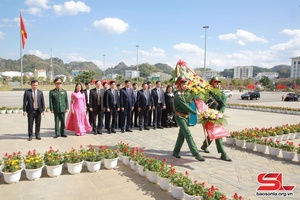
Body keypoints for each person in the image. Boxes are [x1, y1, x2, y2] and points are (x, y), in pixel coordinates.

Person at [172, 76, 205, 162]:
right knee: (188, 135)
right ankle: (196, 153)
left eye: (186, 84)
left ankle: (176, 152)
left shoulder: (184, 94)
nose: (185, 86)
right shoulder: (178, 96)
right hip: (180, 118)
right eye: (183, 84)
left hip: (185, 117)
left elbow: (192, 100)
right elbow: (185, 106)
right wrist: (195, 112)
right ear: (178, 86)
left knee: (181, 136)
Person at [200, 76, 232, 162]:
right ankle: (206, 146)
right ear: (211, 83)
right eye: (216, 83)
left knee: (217, 134)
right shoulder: (207, 93)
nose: (217, 84)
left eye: (218, 83)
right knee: (212, 133)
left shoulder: (221, 95)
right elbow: (203, 103)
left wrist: (219, 114)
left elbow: (223, 105)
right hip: (208, 116)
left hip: (217, 117)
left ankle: (222, 153)